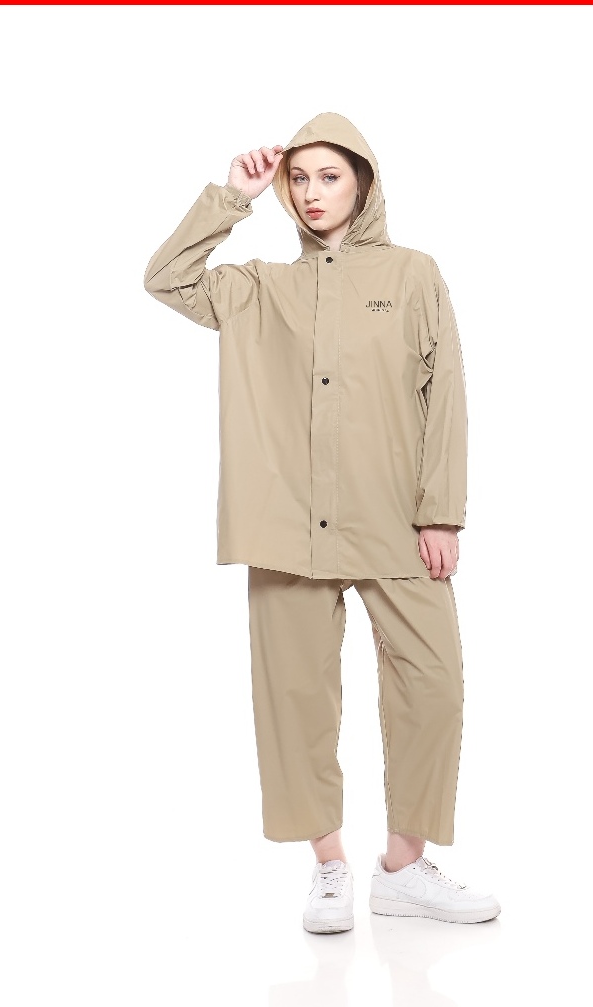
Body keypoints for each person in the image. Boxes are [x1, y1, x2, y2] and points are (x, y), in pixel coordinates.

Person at [143, 112, 500, 933]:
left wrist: (441, 512)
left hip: (395, 517)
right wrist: (231, 197)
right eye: (297, 178)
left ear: (363, 184)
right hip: (285, 524)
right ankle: (329, 866)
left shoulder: (413, 274)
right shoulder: (257, 286)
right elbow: (167, 278)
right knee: (295, 698)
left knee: (434, 683)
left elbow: (445, 393)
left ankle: (404, 868)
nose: (311, 193)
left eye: (328, 176)